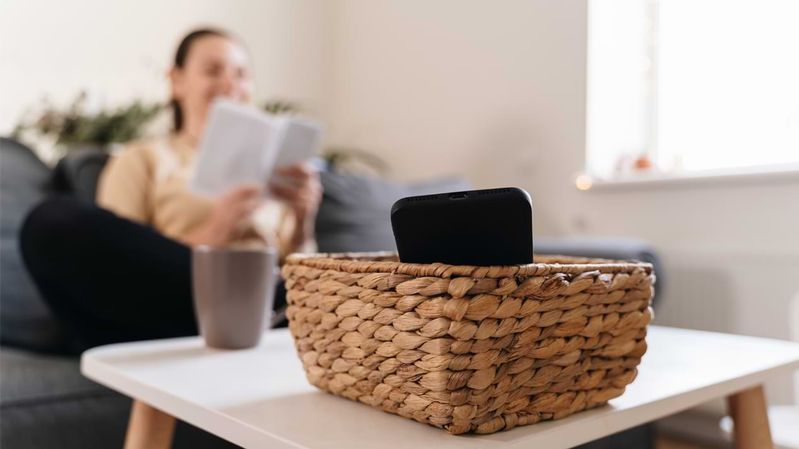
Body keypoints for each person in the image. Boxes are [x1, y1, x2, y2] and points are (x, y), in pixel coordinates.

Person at [20, 28, 321, 352]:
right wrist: (217, 229)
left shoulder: (274, 171)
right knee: (51, 221)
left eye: (241, 73)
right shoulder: (143, 158)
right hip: (175, 305)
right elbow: (126, 263)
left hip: (275, 298)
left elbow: (301, 267)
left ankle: (274, 311)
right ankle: (267, 311)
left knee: (323, 284)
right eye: (213, 70)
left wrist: (304, 217)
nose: (231, 84)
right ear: (177, 81)